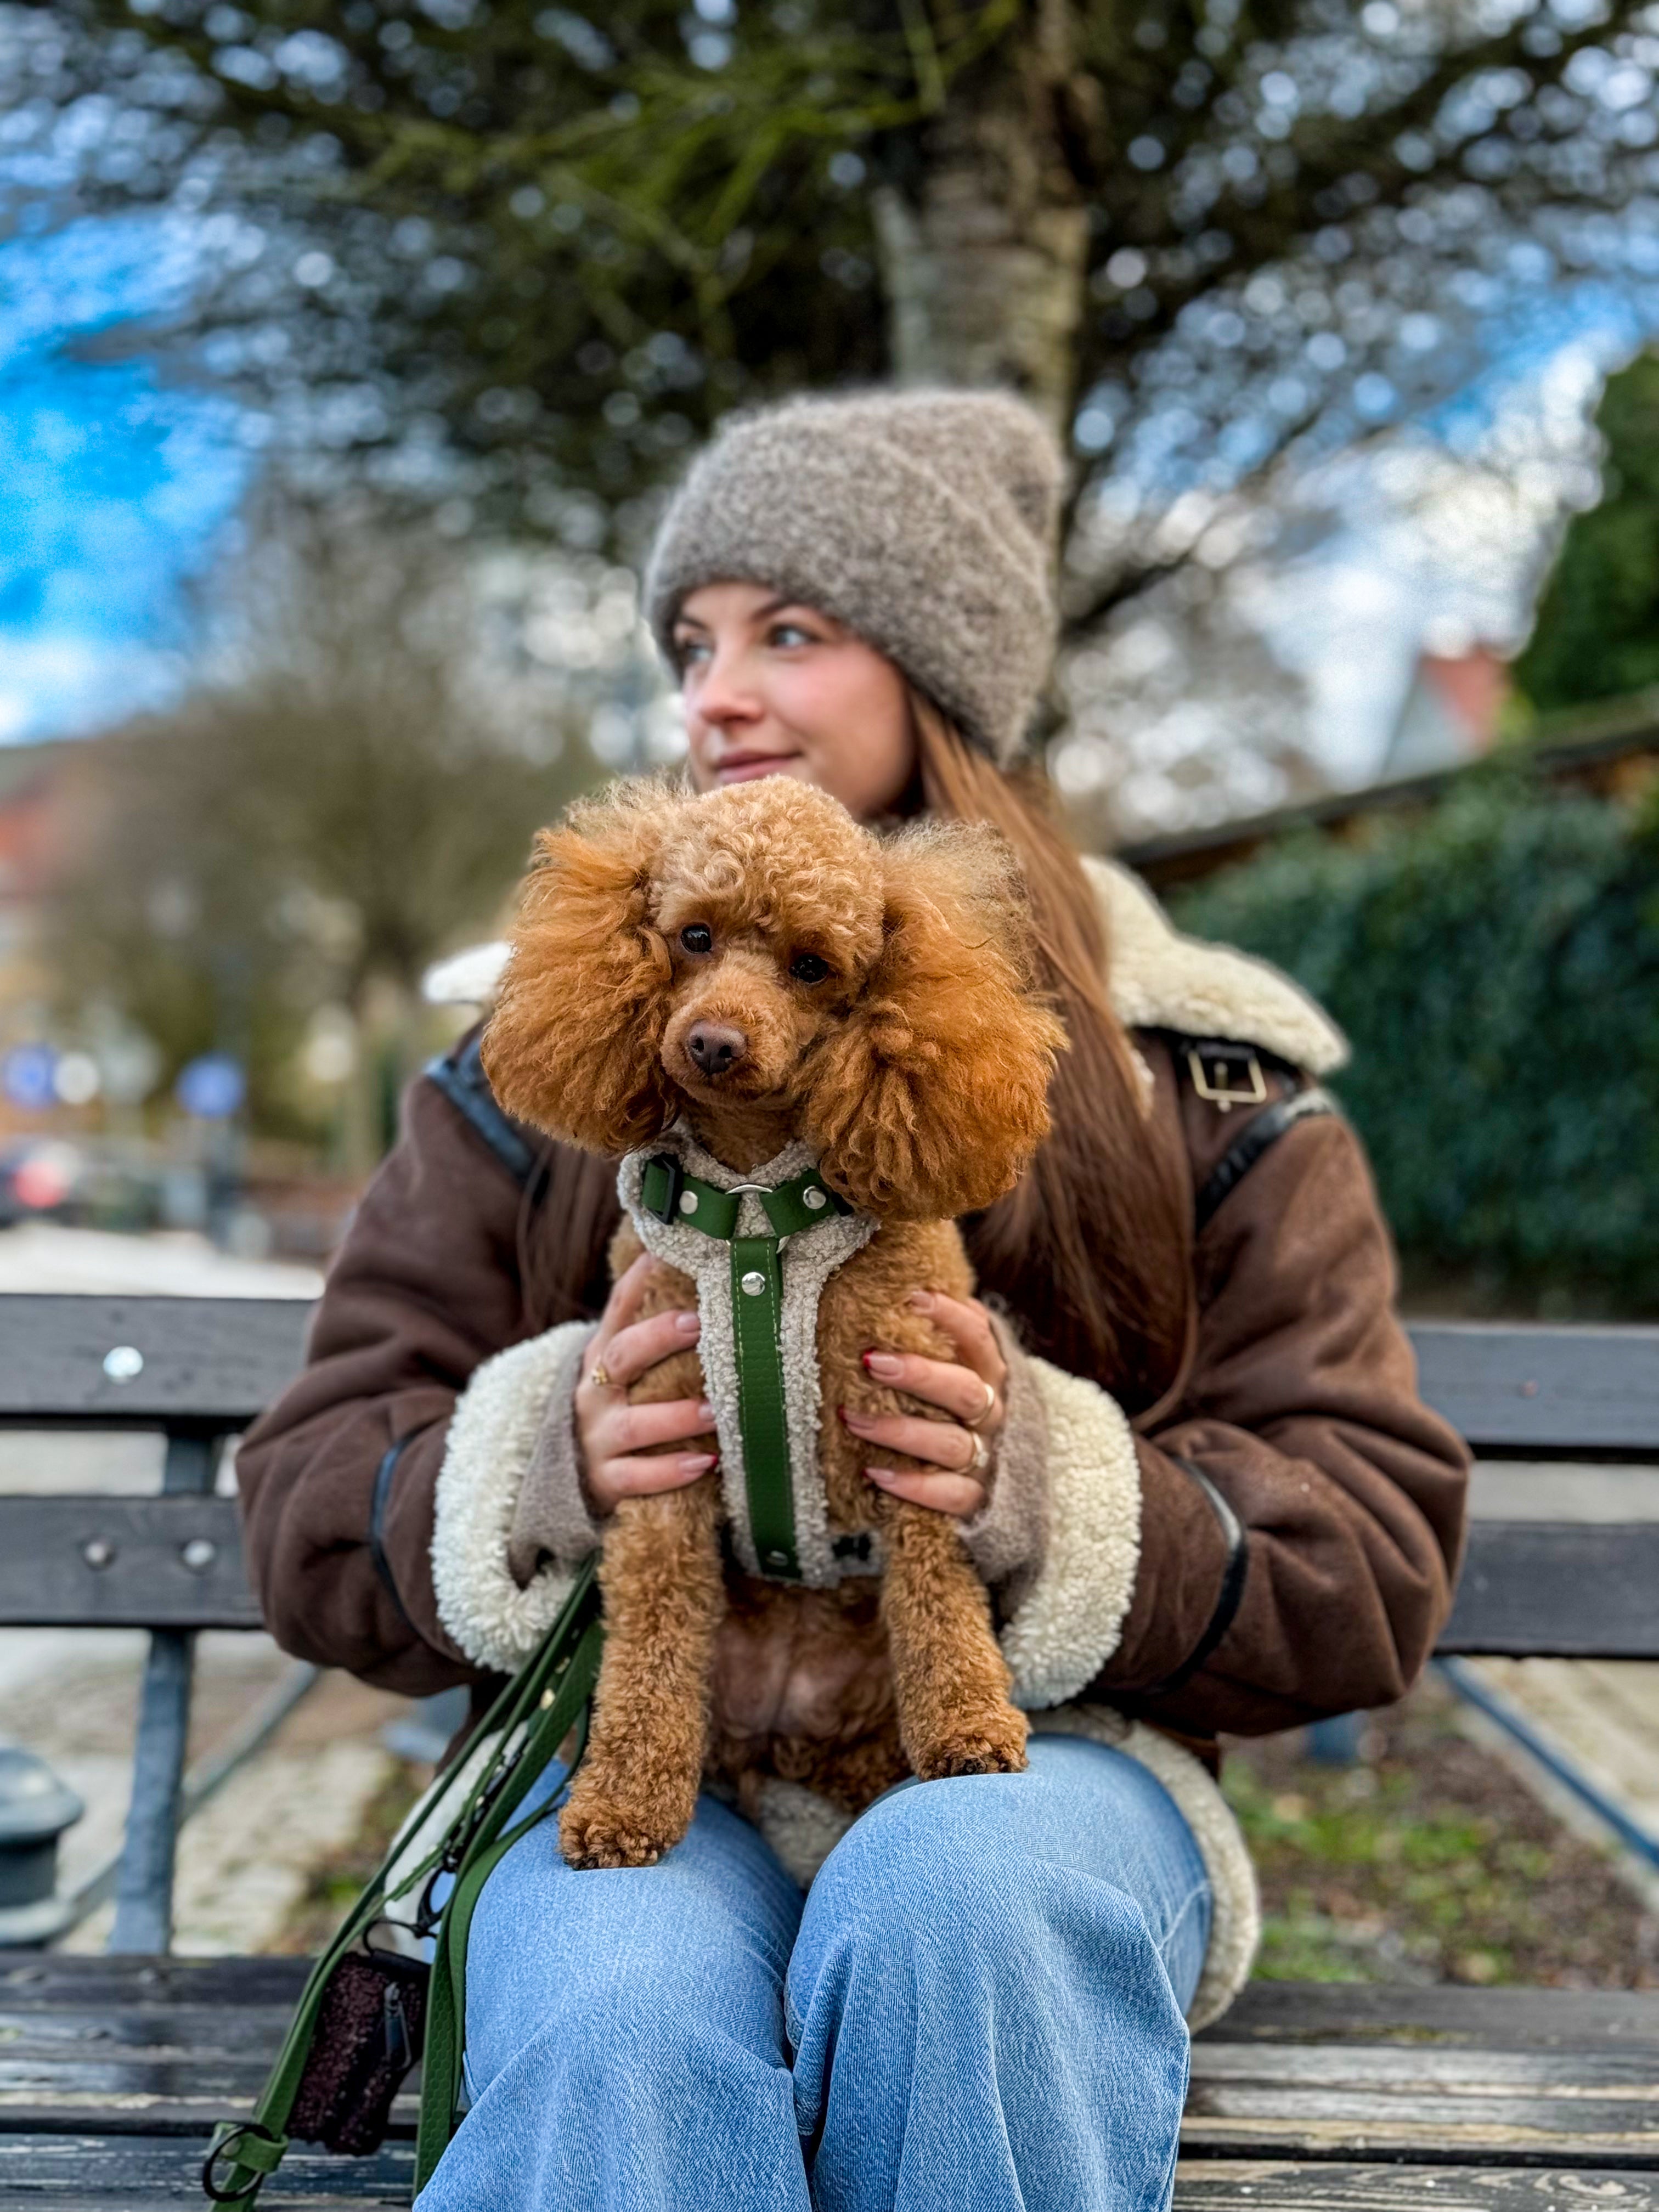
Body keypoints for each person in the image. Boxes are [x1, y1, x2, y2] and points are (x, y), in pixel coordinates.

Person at [238, 390, 1469, 2212]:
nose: (713, 694)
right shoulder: (530, 1067)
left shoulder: (1210, 1084)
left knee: (961, 1903)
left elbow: (1373, 1546)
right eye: (692, 642)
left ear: (948, 683)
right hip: (661, 1761)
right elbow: (308, 1486)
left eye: (789, 634)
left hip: (1057, 1764)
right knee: (615, 2009)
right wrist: (542, 1459)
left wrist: (1050, 1488)